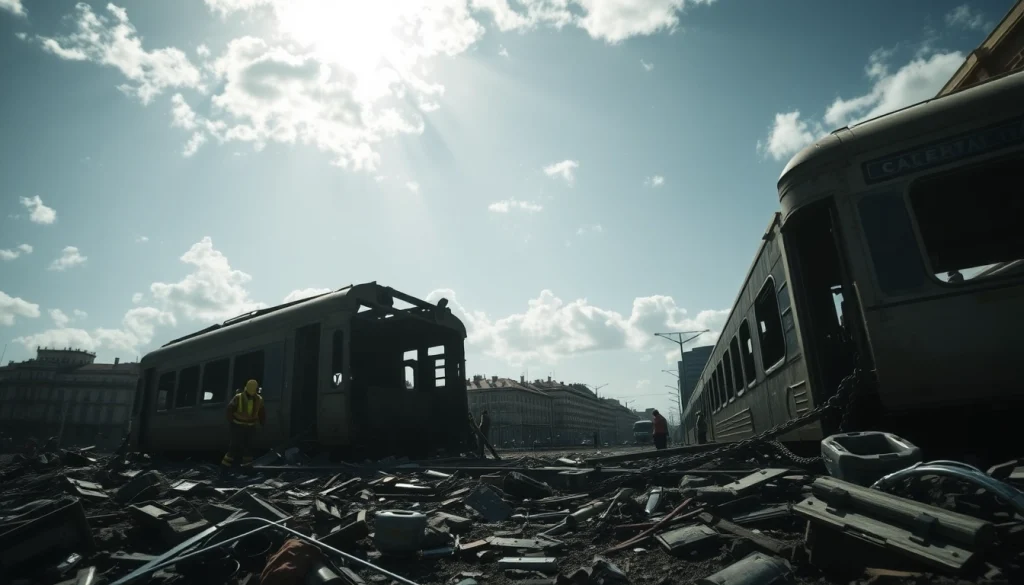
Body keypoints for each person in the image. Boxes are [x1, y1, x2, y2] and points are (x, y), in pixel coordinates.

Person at [221, 379, 266, 468]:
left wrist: (262, 423)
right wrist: (232, 422)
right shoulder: (238, 397)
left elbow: (261, 412)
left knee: (248, 448)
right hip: (238, 426)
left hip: (250, 427)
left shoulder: (259, 399)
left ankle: (246, 468)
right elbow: (230, 410)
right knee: (234, 447)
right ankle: (224, 468)